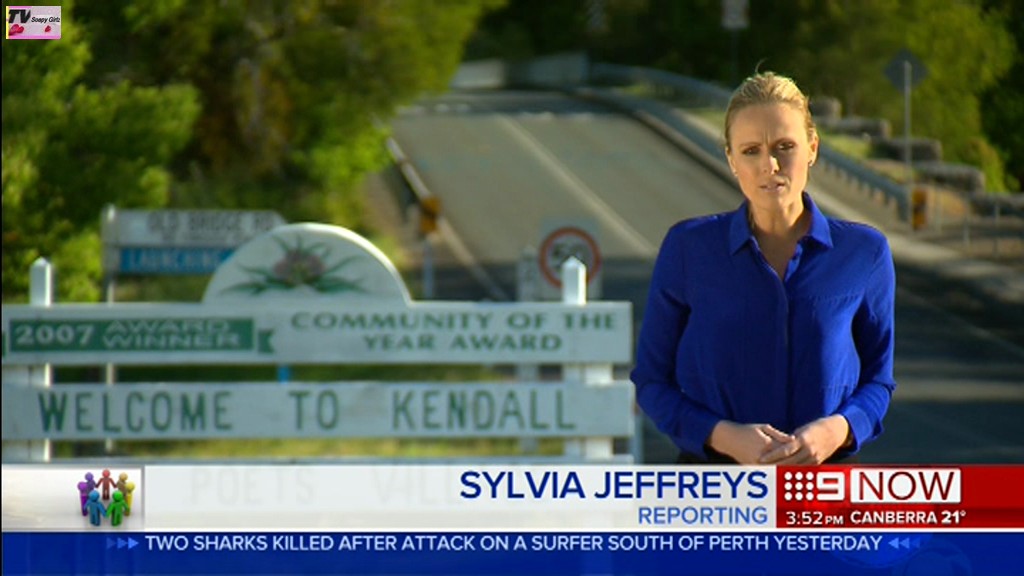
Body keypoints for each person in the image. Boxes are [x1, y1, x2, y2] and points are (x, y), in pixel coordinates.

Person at [630, 71, 896, 465]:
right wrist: (723, 436)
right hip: (712, 488)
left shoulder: (864, 253)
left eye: (784, 146)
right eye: (751, 150)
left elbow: (878, 381)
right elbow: (652, 383)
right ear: (731, 160)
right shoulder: (688, 249)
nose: (769, 165)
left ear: (812, 148)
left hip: (825, 486)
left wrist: (836, 430)